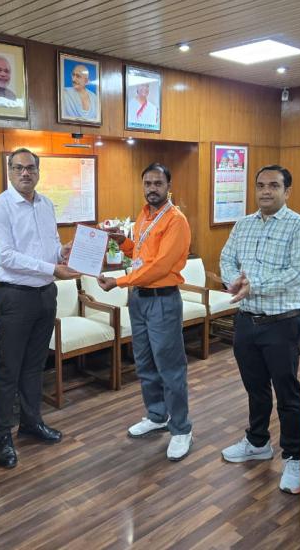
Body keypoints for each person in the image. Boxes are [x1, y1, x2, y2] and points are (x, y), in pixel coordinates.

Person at [219, 165, 300, 495]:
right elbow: (226, 258)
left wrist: (255, 285)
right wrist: (233, 280)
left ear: (287, 191)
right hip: (246, 321)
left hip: (282, 323)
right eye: (260, 185)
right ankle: (258, 441)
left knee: (287, 394)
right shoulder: (243, 224)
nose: (265, 191)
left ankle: (294, 456)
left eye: (273, 186)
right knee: (255, 388)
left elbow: (299, 273)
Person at [0, 148, 77, 469]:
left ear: (38, 171)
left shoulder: (46, 204)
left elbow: (49, 246)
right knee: (8, 370)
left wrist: (62, 252)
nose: (25, 173)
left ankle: (31, 422)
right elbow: (6, 257)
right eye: (19, 167)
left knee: (35, 365)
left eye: (31, 168)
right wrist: (52, 268)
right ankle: (1, 435)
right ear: (9, 171)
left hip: (45, 295)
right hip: (15, 297)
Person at [97, 163, 193, 461]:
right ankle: (157, 415)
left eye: (158, 183)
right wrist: (122, 242)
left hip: (162, 300)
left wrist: (119, 281)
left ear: (168, 187)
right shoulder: (144, 215)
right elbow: (140, 253)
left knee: (170, 367)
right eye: (148, 183)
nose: (152, 188)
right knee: (145, 362)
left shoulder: (176, 220)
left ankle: (181, 429)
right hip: (138, 299)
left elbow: (160, 267)